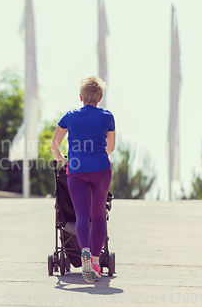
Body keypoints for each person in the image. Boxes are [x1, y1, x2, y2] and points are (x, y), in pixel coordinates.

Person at [50, 76, 115, 283]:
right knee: (97, 216)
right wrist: (97, 157)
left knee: (81, 216)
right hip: (101, 169)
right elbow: (111, 148)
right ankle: (94, 262)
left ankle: (84, 250)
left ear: (80, 97)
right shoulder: (107, 116)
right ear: (100, 97)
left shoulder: (70, 116)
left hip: (76, 170)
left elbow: (54, 146)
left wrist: (62, 159)